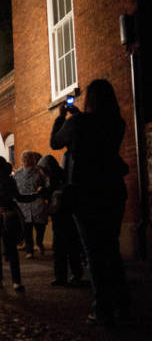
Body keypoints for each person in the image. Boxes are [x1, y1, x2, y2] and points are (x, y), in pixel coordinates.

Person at [50, 79, 129, 325]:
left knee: (94, 253)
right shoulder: (117, 123)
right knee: (111, 249)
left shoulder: (78, 123)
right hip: (113, 189)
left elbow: (55, 142)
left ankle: (101, 308)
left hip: (86, 193)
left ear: (90, 99)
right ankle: (121, 306)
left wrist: (62, 117)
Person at [0, 156, 39, 291]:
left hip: (9, 219)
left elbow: (19, 197)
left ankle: (16, 280)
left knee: (11, 250)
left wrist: (36, 195)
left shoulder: (10, 182)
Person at [37, 154, 85, 287]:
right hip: (60, 215)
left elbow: (53, 193)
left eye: (41, 169)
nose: (40, 172)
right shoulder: (57, 176)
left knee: (67, 247)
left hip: (63, 215)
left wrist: (43, 191)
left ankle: (69, 275)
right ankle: (65, 276)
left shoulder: (55, 177)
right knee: (62, 247)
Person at [14, 150, 48, 259]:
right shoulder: (18, 173)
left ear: (33, 159)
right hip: (23, 204)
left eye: (28, 158)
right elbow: (15, 188)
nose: (26, 160)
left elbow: (46, 183)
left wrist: (42, 188)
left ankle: (39, 243)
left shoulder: (39, 172)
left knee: (40, 227)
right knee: (26, 229)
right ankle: (29, 250)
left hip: (37, 202)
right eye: (24, 158)